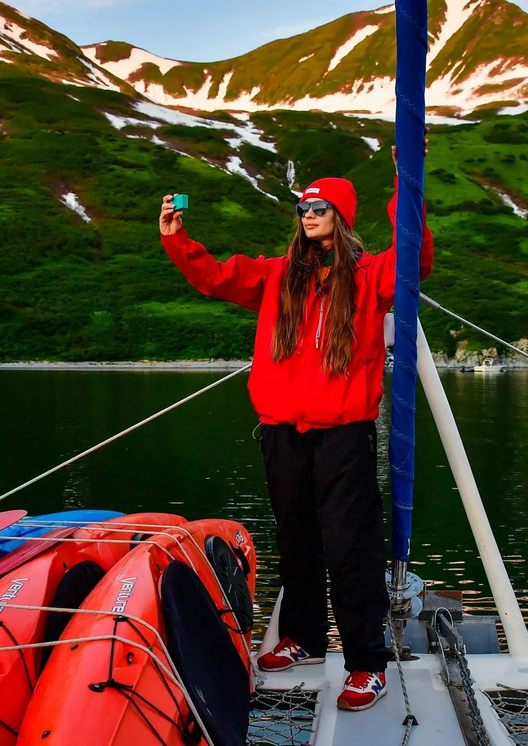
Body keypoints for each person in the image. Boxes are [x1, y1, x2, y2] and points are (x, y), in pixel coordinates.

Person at [159, 152, 433, 712]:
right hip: (282, 431)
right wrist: (177, 239)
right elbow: (214, 276)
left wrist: (408, 179)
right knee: (297, 540)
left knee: (350, 548)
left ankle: (365, 663)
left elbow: (416, 256)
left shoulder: (370, 275)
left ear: (342, 214)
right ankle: (304, 639)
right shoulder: (277, 274)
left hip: (343, 435)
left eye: (320, 206)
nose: (308, 213)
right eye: (304, 206)